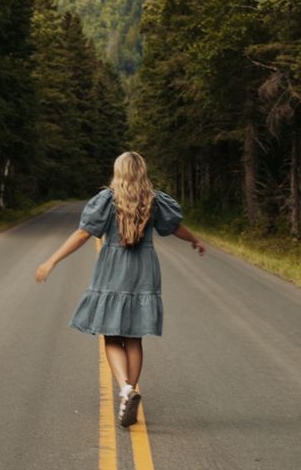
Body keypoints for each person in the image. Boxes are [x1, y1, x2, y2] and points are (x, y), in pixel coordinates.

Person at [35, 151, 205, 427]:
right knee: (135, 337)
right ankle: (130, 392)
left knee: (112, 335)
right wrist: (194, 241)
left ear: (118, 172)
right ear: (142, 172)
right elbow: (176, 228)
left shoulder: (106, 200)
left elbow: (82, 233)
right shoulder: (155, 201)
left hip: (113, 271)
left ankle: (125, 391)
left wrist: (52, 260)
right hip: (144, 271)